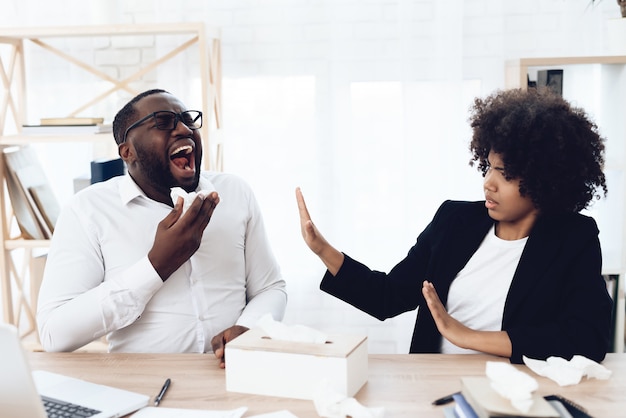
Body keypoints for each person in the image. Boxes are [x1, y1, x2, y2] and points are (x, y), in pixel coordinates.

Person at [296, 88, 613, 364]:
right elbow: (387, 296)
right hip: (436, 387)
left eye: (505, 174)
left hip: (516, 390)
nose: (488, 183)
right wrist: (322, 249)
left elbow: (587, 339)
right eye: (489, 167)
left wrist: (465, 335)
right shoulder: (454, 222)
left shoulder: (573, 239)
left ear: (545, 179)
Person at [37, 89, 287, 367]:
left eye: (187, 119)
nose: (183, 128)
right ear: (127, 151)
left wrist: (250, 329)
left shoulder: (235, 192)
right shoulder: (87, 211)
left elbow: (270, 287)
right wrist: (156, 266)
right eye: (163, 121)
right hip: (142, 385)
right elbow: (53, 333)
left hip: (231, 374)